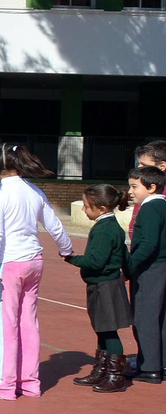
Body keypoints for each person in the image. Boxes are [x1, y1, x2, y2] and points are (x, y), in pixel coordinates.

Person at [0, 144, 72, 400]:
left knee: (5, 325)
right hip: (34, 261)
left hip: (9, 264)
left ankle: (2, 384)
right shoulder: (34, 191)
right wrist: (67, 249)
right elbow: (54, 224)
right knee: (29, 322)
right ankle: (29, 382)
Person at [64, 184, 132, 393]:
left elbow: (96, 261)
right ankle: (102, 369)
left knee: (108, 331)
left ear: (102, 208)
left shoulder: (104, 229)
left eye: (86, 206)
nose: (84, 210)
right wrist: (127, 272)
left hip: (105, 286)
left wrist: (71, 258)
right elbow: (124, 256)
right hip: (104, 285)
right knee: (102, 329)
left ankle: (115, 375)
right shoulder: (111, 226)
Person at [123, 164, 166, 384]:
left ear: (151, 187)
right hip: (162, 266)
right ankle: (162, 363)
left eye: (134, 187)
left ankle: (149, 367)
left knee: (145, 317)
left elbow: (148, 243)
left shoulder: (150, 209)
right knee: (162, 318)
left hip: (151, 269)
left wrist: (129, 268)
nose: (130, 192)